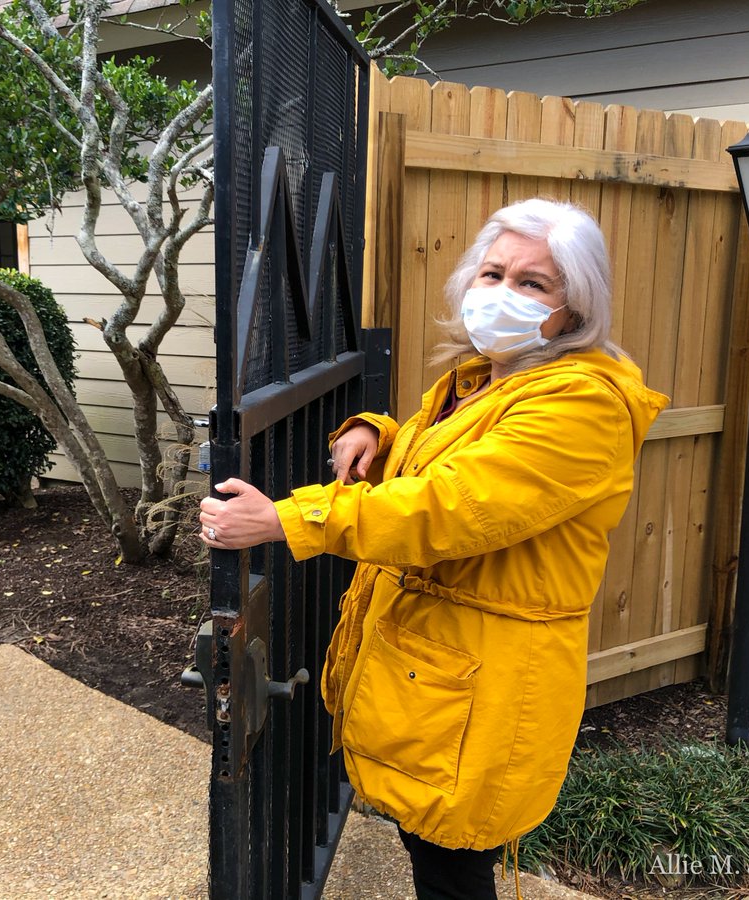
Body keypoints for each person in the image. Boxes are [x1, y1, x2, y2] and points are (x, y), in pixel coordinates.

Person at [198, 198, 669, 900]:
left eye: (532, 283)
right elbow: (437, 454)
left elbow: (451, 506)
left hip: (486, 681)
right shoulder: (487, 376)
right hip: (444, 672)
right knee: (433, 847)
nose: (502, 292)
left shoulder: (582, 404)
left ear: (575, 310)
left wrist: (289, 520)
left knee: (452, 866)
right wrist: (376, 432)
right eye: (493, 272)